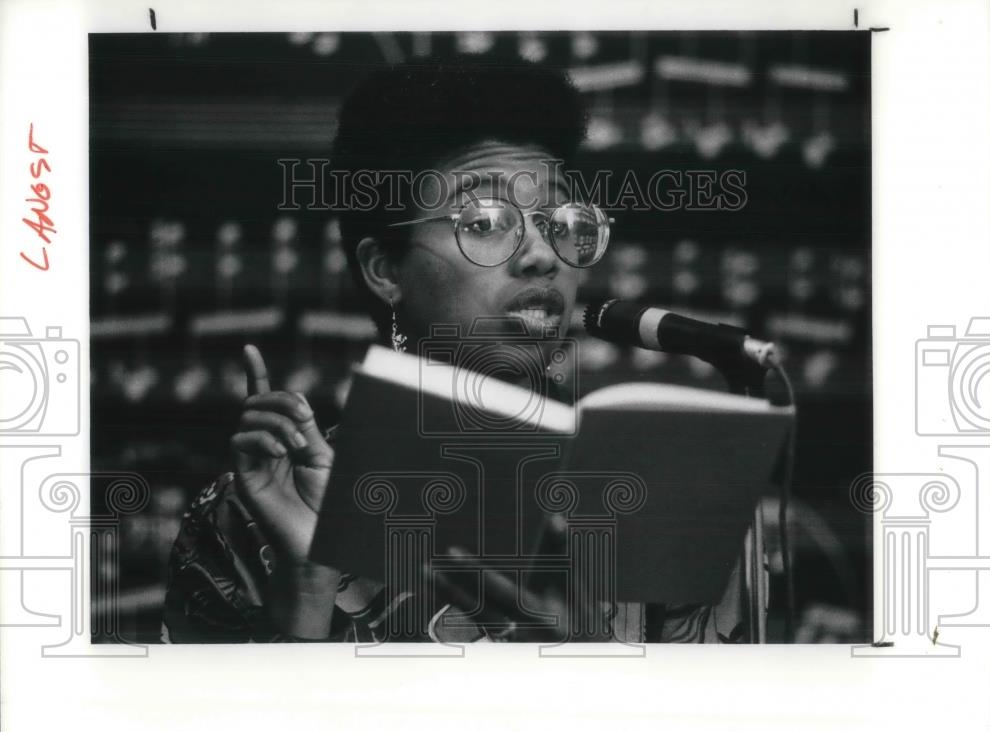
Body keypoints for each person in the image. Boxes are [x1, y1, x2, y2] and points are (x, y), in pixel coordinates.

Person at [162, 54, 760, 644]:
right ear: (384, 270)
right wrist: (309, 588)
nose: (542, 255)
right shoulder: (252, 513)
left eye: (558, 219)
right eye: (484, 221)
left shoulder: (664, 501)